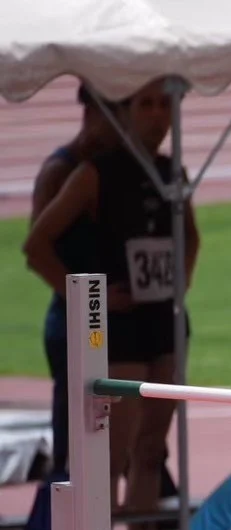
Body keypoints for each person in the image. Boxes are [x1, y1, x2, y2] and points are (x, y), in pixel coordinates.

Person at [24, 80, 201, 530]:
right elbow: (36, 247)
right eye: (145, 105)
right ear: (123, 113)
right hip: (115, 330)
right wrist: (87, 300)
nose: (158, 116)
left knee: (150, 451)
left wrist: (176, 286)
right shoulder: (91, 174)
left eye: (166, 104)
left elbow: (192, 238)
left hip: (164, 324)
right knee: (109, 456)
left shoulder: (172, 172)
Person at [26, 81, 116, 477]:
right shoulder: (61, 171)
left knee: (118, 424)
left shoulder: (124, 170)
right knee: (75, 432)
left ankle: (145, 525)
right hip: (74, 320)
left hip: (111, 318)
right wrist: (88, 305)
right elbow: (36, 250)